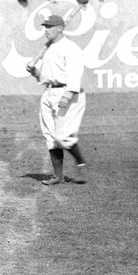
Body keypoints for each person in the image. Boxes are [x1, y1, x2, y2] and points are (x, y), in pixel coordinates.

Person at [28, 11, 88, 185]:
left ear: (60, 28)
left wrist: (68, 95)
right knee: (50, 136)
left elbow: (75, 74)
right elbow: (45, 77)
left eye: (49, 27)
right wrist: (34, 72)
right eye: (45, 27)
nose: (46, 30)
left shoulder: (71, 48)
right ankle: (58, 176)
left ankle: (82, 163)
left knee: (63, 136)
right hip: (49, 92)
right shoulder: (49, 48)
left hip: (67, 93)